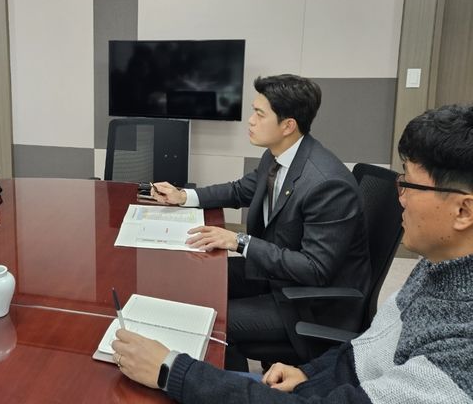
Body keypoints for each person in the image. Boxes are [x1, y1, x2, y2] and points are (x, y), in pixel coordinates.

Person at [112, 103, 473, 403]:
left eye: (407, 183)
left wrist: (172, 371)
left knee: (208, 326)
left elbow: (315, 269)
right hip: (320, 364)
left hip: (305, 300)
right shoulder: (436, 268)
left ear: (463, 211)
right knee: (195, 284)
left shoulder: (460, 354)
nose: (400, 199)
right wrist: (311, 372)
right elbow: (368, 350)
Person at [151, 74, 370, 369]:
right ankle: (233, 369)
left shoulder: (326, 184)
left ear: (288, 125)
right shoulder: (278, 155)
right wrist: (183, 196)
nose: (250, 121)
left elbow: (315, 269)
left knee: (210, 319)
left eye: (259, 113)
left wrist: (240, 241)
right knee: (197, 277)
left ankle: (231, 387)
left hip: (308, 303)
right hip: (276, 275)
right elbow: (240, 190)